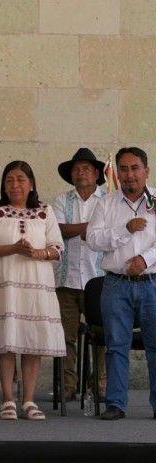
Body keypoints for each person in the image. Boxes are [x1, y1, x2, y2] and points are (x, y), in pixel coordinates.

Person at [0, 161, 66, 421]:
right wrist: (14, 248)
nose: (15, 185)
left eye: (20, 179)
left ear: (31, 184)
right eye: (9, 180)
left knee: (32, 341)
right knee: (6, 340)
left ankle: (28, 400)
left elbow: (58, 248)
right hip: (5, 284)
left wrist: (40, 253)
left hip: (37, 285)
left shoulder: (45, 211)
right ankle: (8, 399)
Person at [87, 147, 156, 421]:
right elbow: (93, 240)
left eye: (135, 168)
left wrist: (145, 259)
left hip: (152, 283)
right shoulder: (106, 204)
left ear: (146, 171)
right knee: (116, 345)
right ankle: (116, 403)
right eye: (124, 169)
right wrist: (124, 229)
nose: (129, 175)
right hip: (116, 285)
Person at [53, 148, 107, 401]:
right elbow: (58, 231)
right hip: (67, 280)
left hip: (99, 281)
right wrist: (93, 227)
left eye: (86, 168)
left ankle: (100, 384)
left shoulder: (108, 200)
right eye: (76, 169)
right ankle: (68, 385)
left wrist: (82, 230)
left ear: (97, 173)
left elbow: (111, 233)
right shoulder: (61, 200)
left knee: (102, 336)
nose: (80, 172)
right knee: (66, 337)